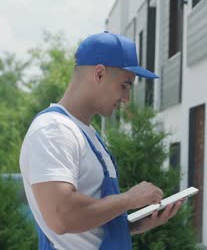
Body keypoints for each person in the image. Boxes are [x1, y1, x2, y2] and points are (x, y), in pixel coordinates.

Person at [20, 31, 183, 250]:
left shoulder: (88, 135)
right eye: (124, 86)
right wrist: (129, 199)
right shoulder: (54, 130)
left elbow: (87, 227)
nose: (126, 99)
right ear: (99, 74)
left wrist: (134, 225)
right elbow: (62, 216)